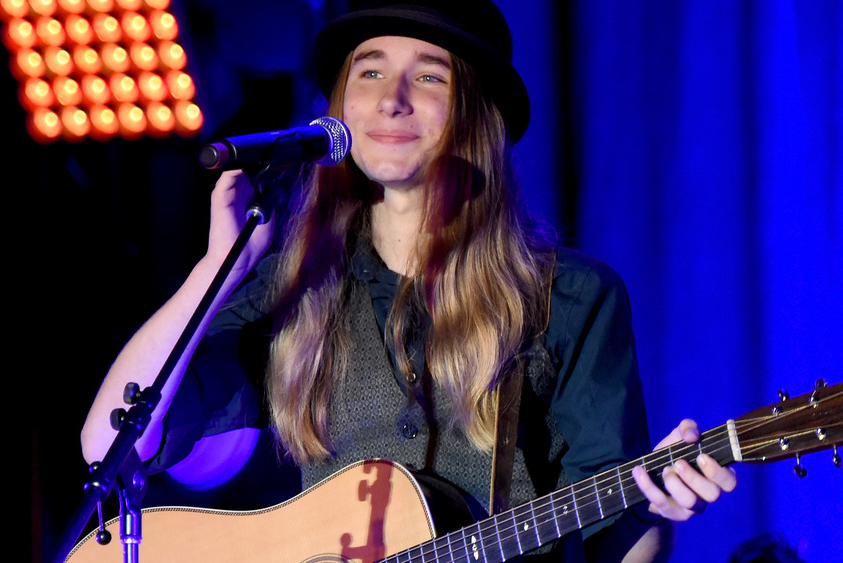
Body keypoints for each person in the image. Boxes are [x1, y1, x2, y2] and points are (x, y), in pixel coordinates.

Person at [80, 1, 736, 560]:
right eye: (369, 72)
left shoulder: (570, 297)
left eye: (428, 76)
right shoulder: (293, 290)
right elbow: (107, 440)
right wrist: (217, 270)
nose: (390, 99)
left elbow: (611, 539)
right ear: (337, 109)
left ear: (475, 117)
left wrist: (651, 512)